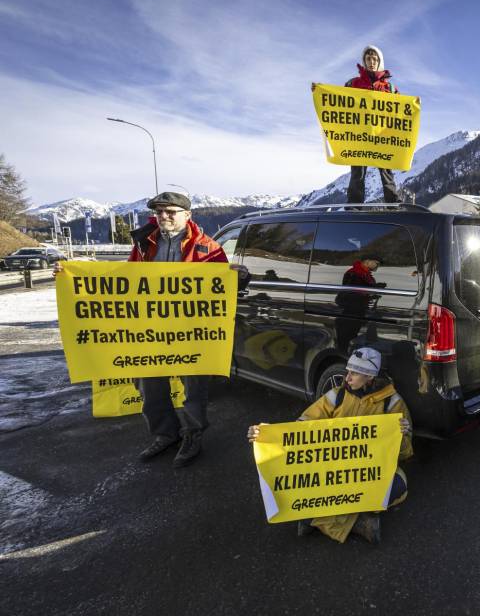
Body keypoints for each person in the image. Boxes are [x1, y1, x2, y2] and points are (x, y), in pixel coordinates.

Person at [247, 347, 412, 544]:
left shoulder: (392, 403)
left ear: (369, 377)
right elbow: (302, 427)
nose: (347, 377)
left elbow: (405, 453)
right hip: (334, 469)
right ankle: (359, 523)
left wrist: (401, 435)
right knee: (302, 477)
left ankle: (313, 518)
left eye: (354, 373)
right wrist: (265, 435)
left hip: (366, 471)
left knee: (398, 485)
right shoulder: (337, 395)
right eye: (348, 370)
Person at [130, 191, 228, 467]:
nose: (164, 217)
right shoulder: (143, 244)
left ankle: (193, 434)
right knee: (148, 381)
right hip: (151, 328)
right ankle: (165, 434)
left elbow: (222, 285)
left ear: (187, 215)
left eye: (171, 211)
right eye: (160, 212)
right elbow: (124, 280)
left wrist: (239, 278)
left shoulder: (208, 248)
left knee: (194, 386)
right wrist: (71, 273)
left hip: (191, 329)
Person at [344, 45, 402, 204]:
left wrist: (414, 104)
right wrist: (320, 92)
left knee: (386, 171)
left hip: (382, 135)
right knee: (358, 172)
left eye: (375, 59)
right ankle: (354, 206)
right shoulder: (352, 84)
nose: (371, 62)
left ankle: (393, 205)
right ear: (364, 61)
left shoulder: (389, 88)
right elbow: (340, 103)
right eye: (368, 59)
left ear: (379, 61)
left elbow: (401, 110)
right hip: (360, 134)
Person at [335, 255, 386, 352]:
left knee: (352, 338)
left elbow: (361, 291)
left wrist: (372, 293)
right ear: (367, 261)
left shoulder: (365, 274)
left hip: (358, 312)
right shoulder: (354, 273)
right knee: (345, 341)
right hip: (349, 312)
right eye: (376, 263)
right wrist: (374, 287)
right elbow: (354, 289)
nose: (377, 266)